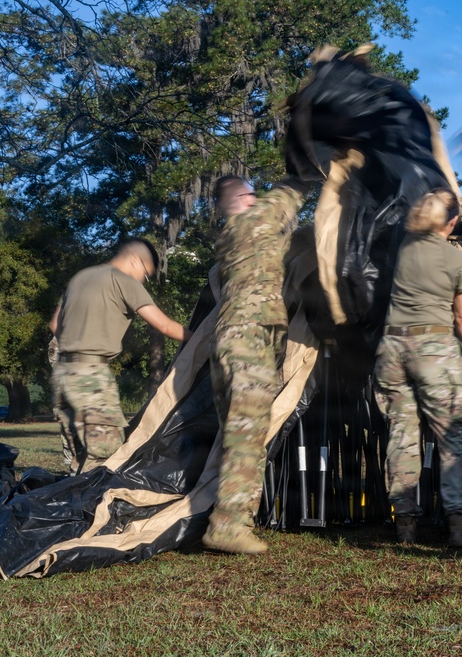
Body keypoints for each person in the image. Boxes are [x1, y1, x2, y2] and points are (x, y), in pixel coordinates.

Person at [374, 189, 462, 547]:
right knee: (452, 437)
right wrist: (461, 352)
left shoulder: (404, 246)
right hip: (434, 347)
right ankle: (461, 527)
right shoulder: (458, 261)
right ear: (453, 221)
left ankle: (404, 526)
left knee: (401, 436)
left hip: (391, 349)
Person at [202, 175, 307, 555]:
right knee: (246, 435)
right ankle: (227, 526)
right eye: (254, 195)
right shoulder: (254, 220)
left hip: (230, 337)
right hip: (249, 338)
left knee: (235, 434)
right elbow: (294, 190)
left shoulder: (233, 238)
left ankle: (225, 514)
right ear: (246, 200)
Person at [50, 239, 190, 473]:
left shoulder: (81, 278)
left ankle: (72, 503)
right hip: (91, 377)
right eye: (146, 275)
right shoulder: (123, 280)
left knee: (78, 457)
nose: (143, 281)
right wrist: (205, 337)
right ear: (136, 260)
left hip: (63, 375)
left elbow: (55, 324)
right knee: (104, 458)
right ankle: (93, 508)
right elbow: (164, 326)